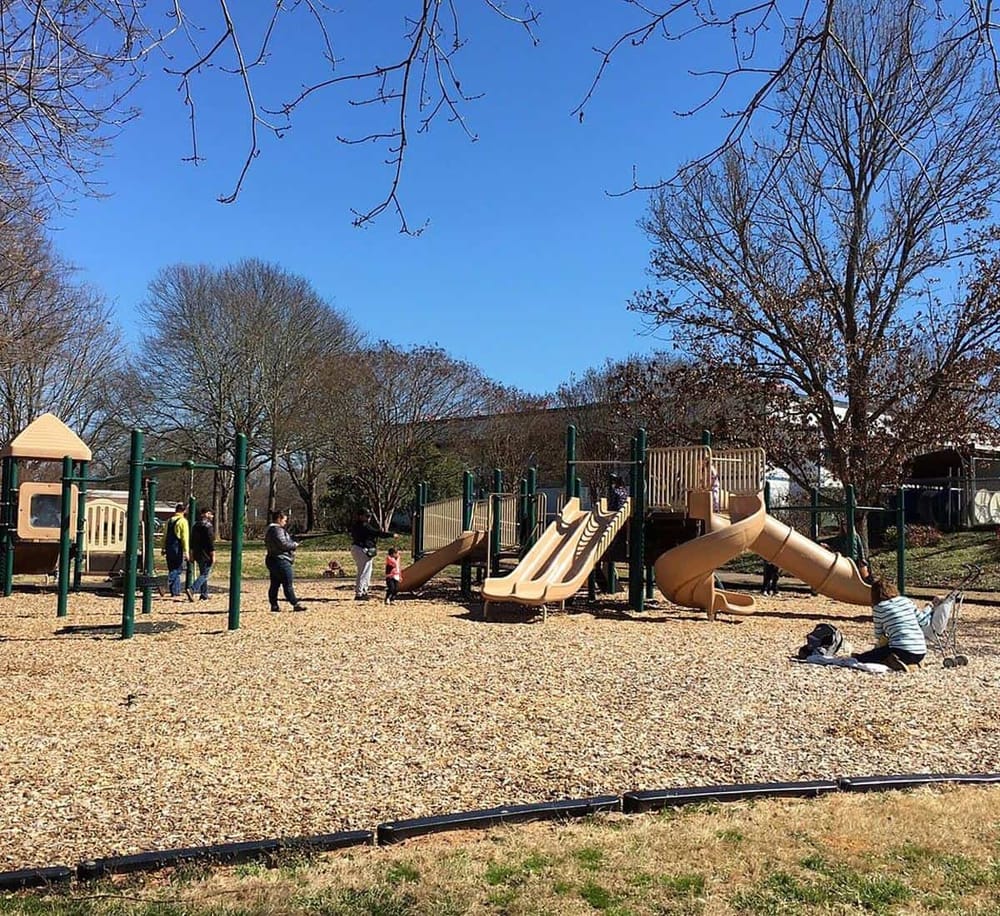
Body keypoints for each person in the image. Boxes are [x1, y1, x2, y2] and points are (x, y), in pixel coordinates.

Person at [852, 577, 926, 671]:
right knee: (890, 650)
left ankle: (894, 663)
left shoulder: (879, 608)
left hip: (901, 650)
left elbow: (879, 634)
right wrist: (929, 608)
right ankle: (913, 664)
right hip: (921, 651)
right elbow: (923, 620)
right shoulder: (906, 601)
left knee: (867, 657)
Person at [350, 508, 397, 601]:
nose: (369, 518)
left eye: (369, 516)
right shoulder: (364, 526)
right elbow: (377, 533)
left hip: (358, 549)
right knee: (363, 572)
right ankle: (360, 593)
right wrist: (391, 535)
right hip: (361, 549)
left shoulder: (357, 525)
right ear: (360, 516)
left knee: (366, 571)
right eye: (367, 516)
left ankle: (363, 591)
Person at [265, 510, 305, 612]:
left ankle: (274, 605)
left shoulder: (270, 529)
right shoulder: (277, 530)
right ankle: (295, 603)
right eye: (284, 520)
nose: (285, 522)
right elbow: (283, 544)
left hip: (273, 559)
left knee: (274, 584)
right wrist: (294, 545)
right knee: (287, 583)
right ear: (279, 519)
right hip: (281, 560)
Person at [187, 508, 216, 601]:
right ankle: (192, 589)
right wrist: (213, 554)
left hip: (197, 553)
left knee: (203, 572)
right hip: (206, 553)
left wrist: (191, 553)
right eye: (211, 514)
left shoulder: (195, 525)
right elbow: (210, 542)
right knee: (205, 574)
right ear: (206, 514)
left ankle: (204, 593)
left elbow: (191, 541)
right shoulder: (208, 527)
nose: (212, 516)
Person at [163, 503, 190, 598]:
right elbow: (184, 538)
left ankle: (175, 591)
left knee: (172, 568)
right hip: (177, 547)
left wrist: (163, 547)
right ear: (184, 511)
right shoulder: (183, 521)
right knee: (177, 570)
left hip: (168, 547)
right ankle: (165, 582)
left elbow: (165, 536)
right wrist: (186, 551)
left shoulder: (169, 521)